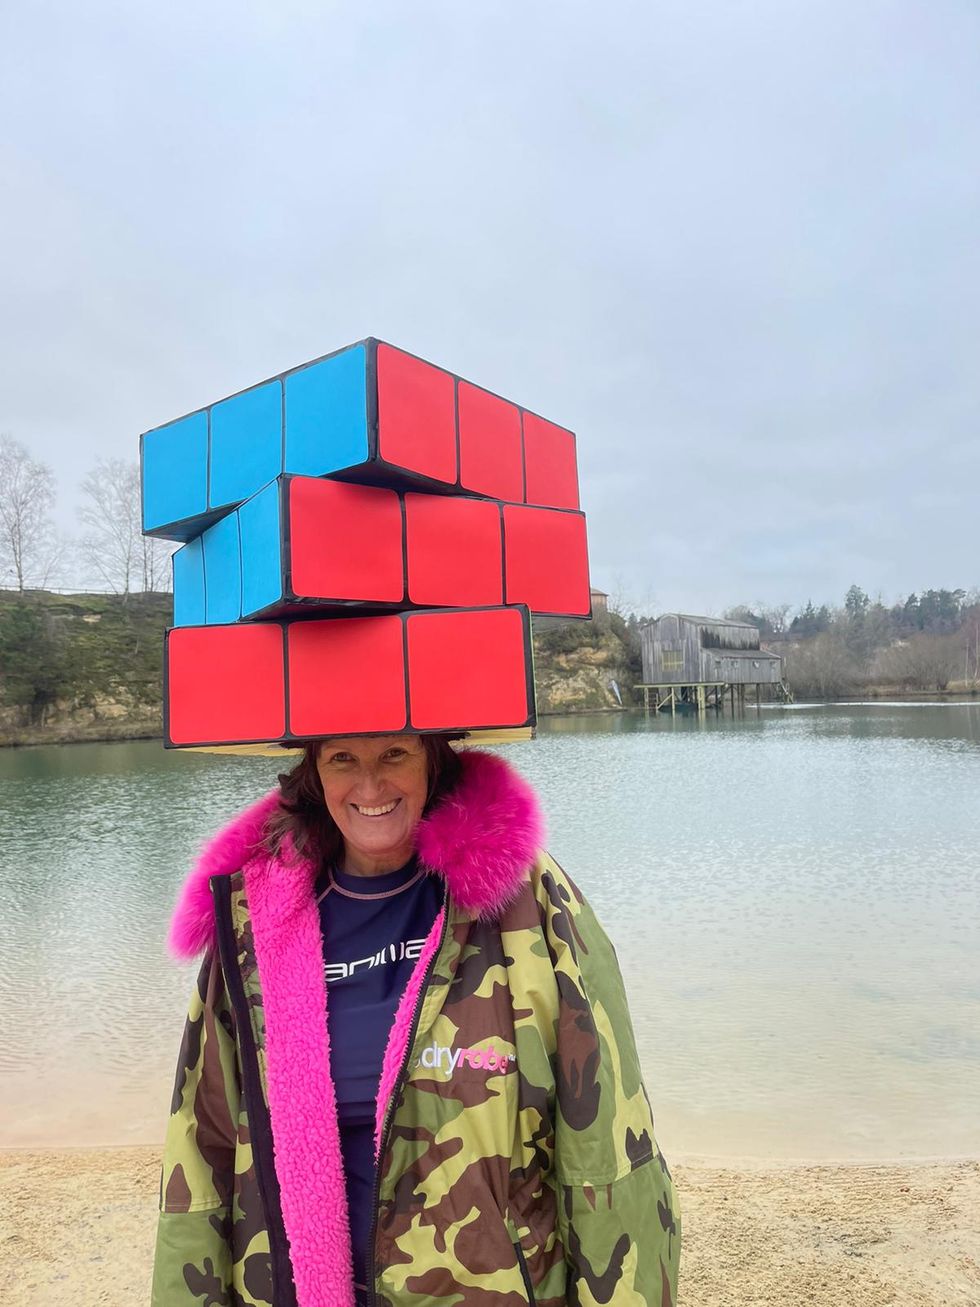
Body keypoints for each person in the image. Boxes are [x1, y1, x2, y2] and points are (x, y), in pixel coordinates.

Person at [151, 733, 680, 1306]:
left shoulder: (523, 903)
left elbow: (604, 1140)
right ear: (314, 773)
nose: (370, 785)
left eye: (394, 754)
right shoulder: (254, 923)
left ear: (433, 761)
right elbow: (201, 1152)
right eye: (341, 759)